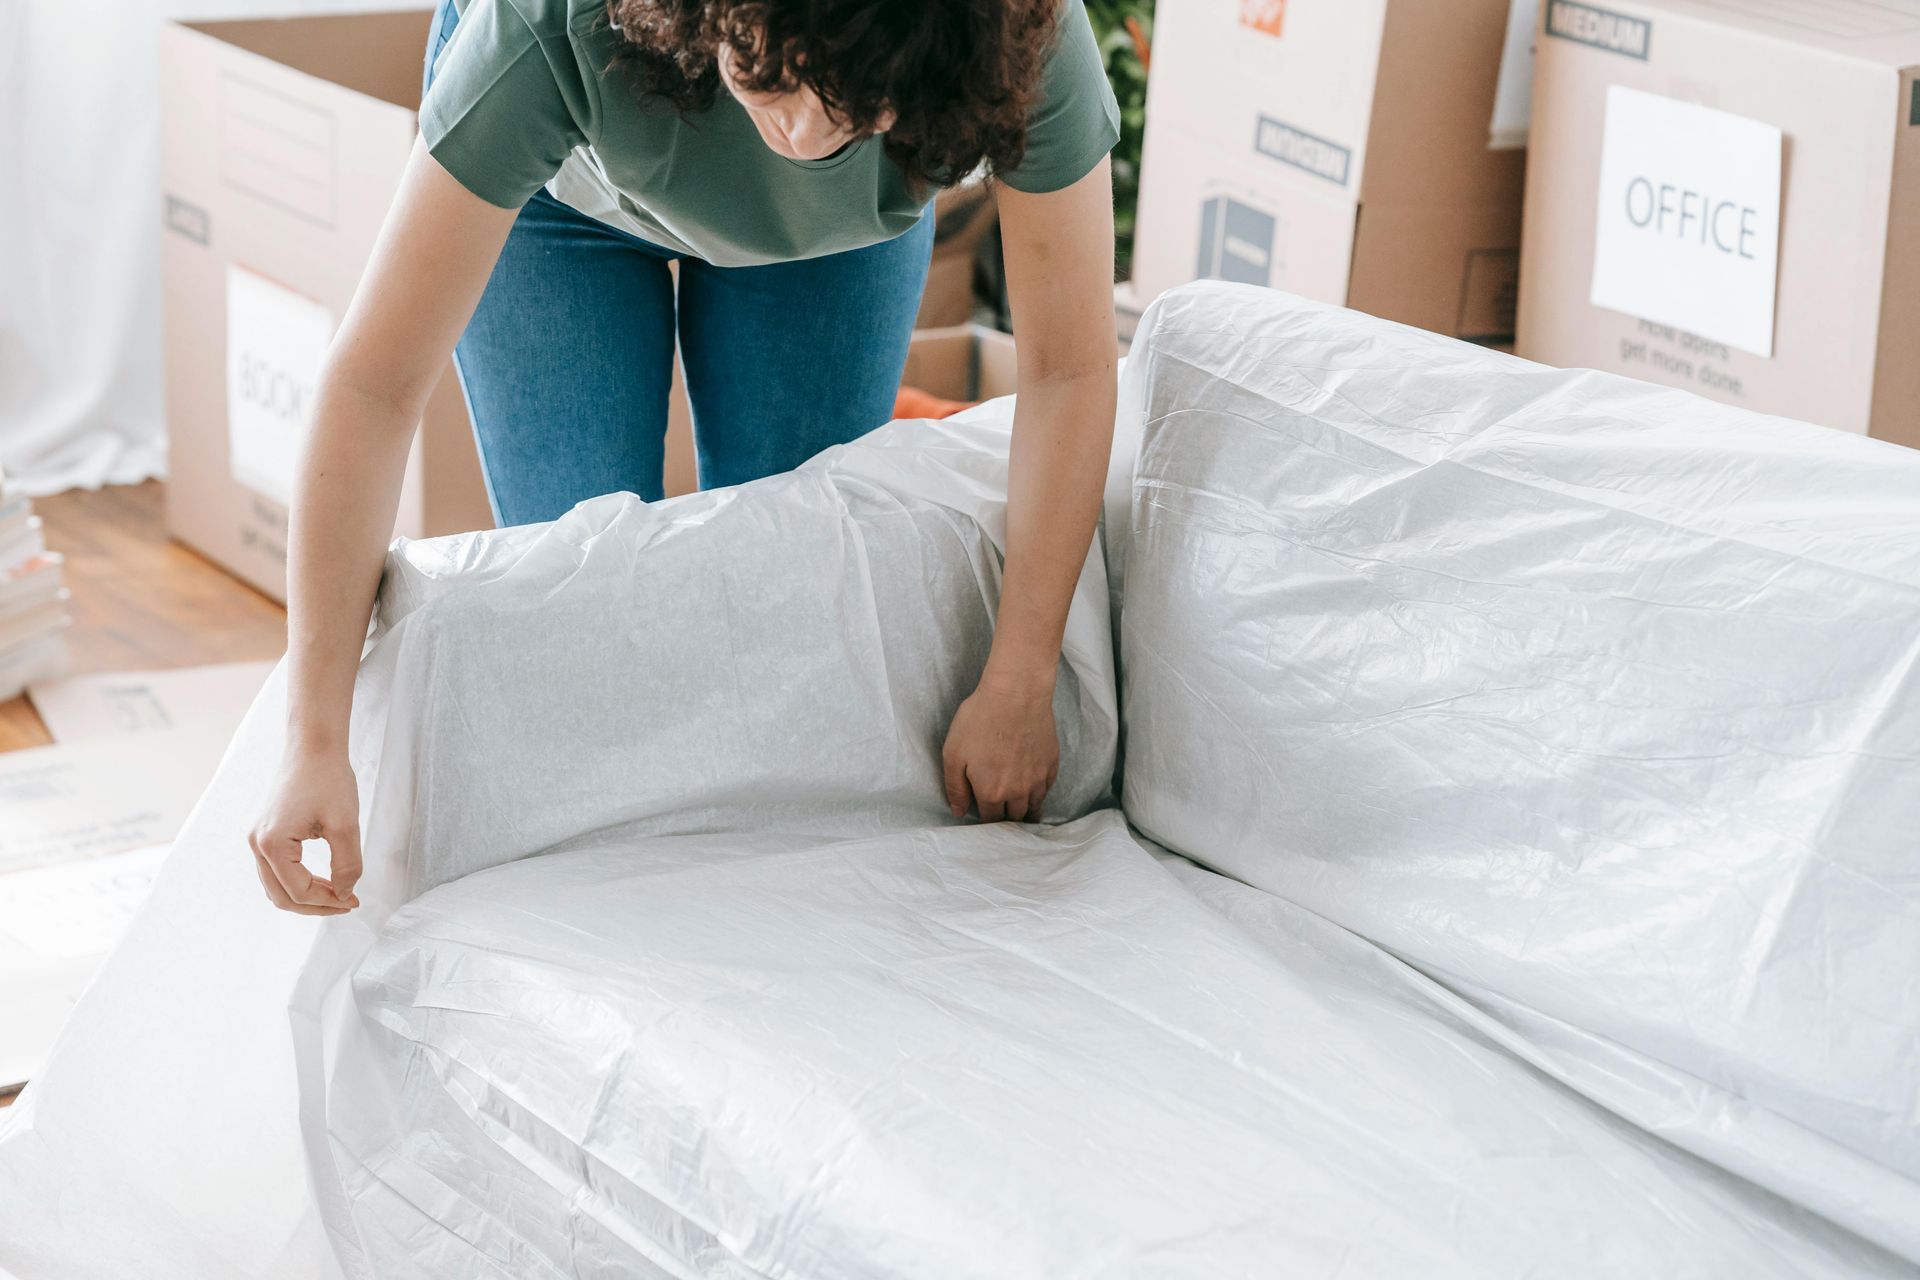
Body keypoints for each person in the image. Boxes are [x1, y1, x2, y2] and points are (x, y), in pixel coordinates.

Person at [249, 0, 1122, 915]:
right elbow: (375, 385)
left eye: (849, 108)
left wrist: (1022, 678)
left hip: (835, 232)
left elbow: (1067, 368)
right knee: (580, 625)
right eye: (775, 84)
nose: (798, 134)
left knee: (795, 597)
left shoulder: (1013, 35)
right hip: (572, 186)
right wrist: (313, 738)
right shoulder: (553, 21)